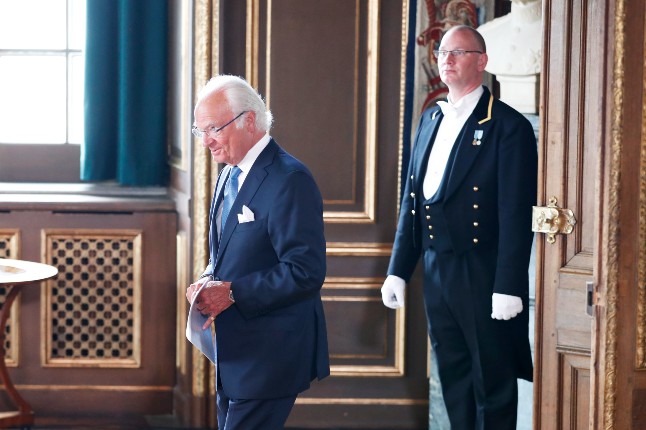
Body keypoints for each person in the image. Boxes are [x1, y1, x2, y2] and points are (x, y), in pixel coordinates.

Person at [381, 25, 536, 429]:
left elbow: (515, 215)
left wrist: (509, 285)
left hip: (482, 272)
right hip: (436, 270)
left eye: (458, 53)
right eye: (442, 52)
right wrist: (399, 269)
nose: (446, 60)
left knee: (493, 381)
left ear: (482, 62)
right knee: (453, 376)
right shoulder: (430, 118)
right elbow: (411, 202)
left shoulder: (508, 127)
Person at [185, 75, 329, 430]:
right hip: (234, 353)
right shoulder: (228, 174)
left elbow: (305, 271)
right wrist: (208, 279)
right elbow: (230, 249)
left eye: (213, 128)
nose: (207, 142)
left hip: (271, 354)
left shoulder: (289, 179)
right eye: (199, 130)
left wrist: (231, 292)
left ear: (249, 120)